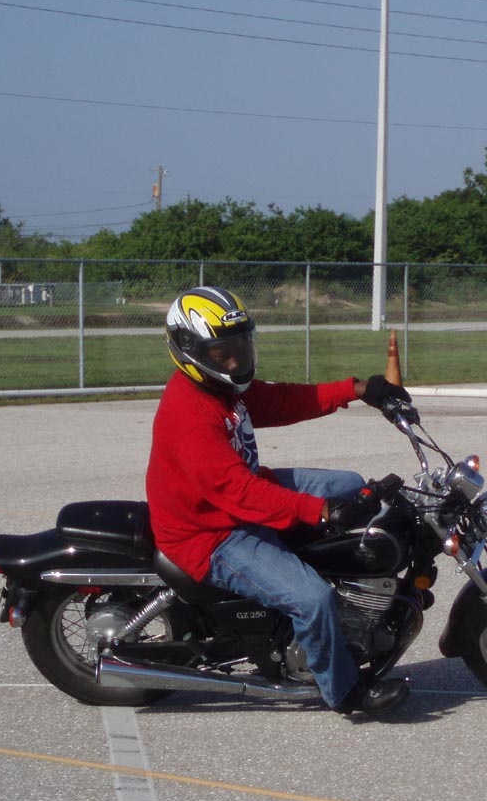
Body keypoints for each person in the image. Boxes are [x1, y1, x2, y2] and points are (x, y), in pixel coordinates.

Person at [145, 286, 412, 717]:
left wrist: (359, 388)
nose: (236, 361)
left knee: (350, 485)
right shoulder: (191, 415)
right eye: (222, 353)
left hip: (236, 502)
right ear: (189, 350)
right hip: (211, 534)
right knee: (312, 598)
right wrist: (320, 512)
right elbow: (239, 493)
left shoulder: (221, 389)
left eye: (241, 347)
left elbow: (283, 400)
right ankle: (344, 691)